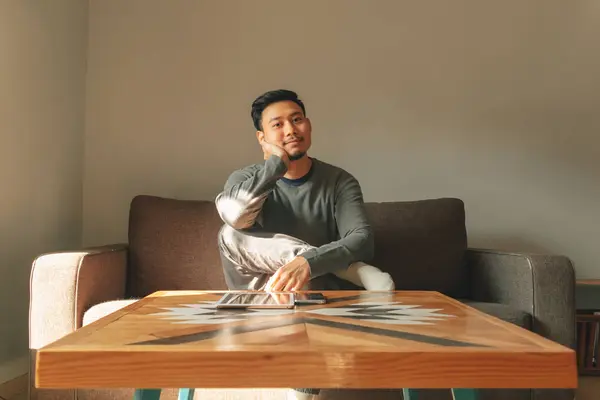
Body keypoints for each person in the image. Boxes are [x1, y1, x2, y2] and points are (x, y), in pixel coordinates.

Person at [214, 89, 395, 399]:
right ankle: (346, 269)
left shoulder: (340, 181)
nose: (290, 130)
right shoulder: (245, 178)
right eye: (278, 124)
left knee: (307, 314)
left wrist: (309, 265)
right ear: (262, 137)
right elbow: (236, 216)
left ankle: (302, 389)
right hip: (261, 296)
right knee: (228, 235)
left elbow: (361, 238)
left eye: (296, 120)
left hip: (315, 298)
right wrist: (275, 165)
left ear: (308, 125)